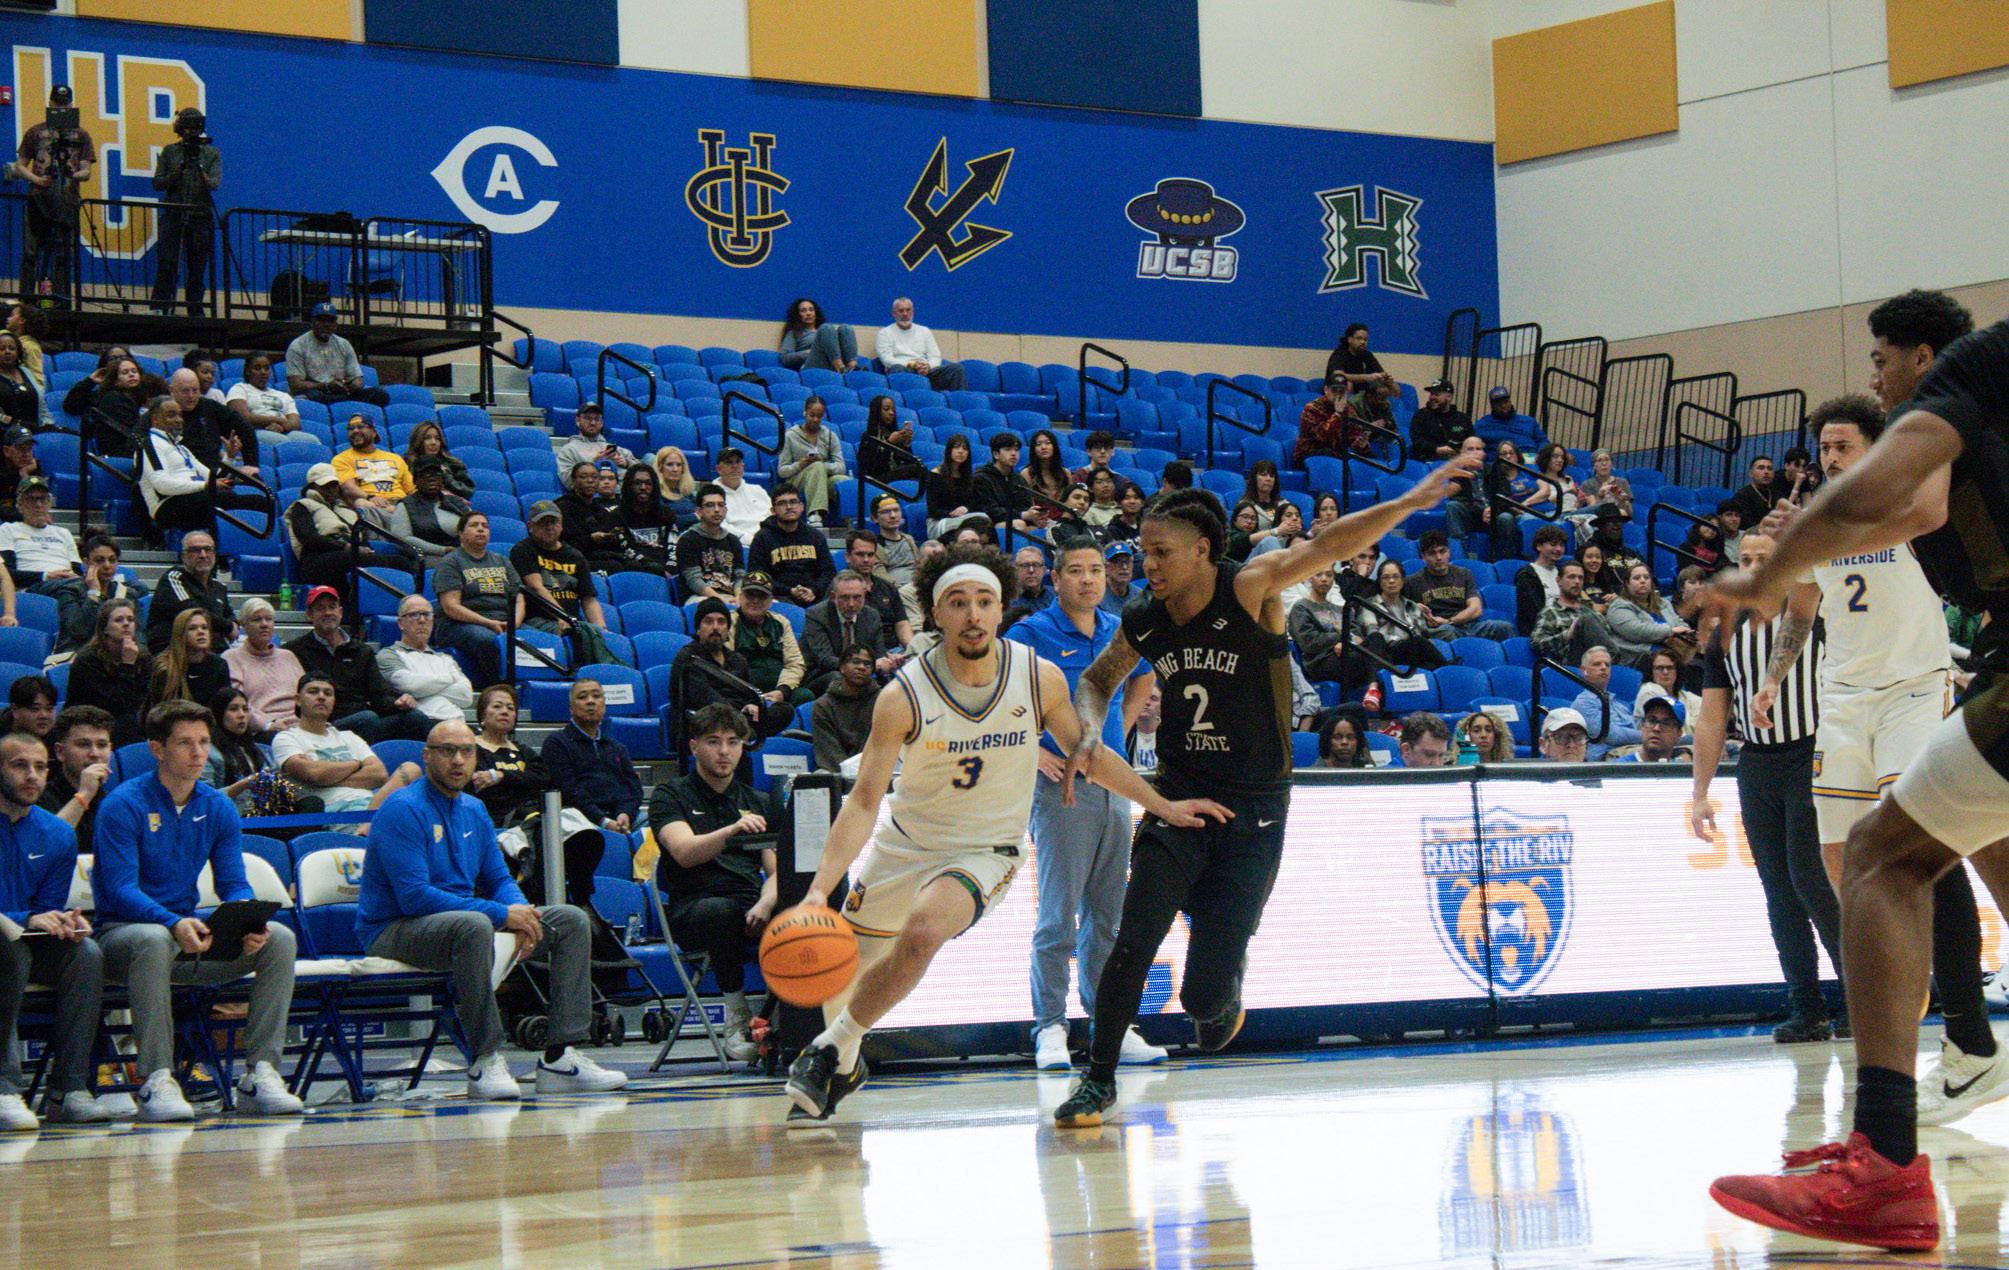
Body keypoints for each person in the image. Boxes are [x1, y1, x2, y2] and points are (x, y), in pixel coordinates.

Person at [1054, 460, 1473, 1127]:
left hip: (1255, 810)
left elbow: (1327, 545)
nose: (1147, 564)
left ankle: (1224, 983)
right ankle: (1096, 1080)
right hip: (1179, 799)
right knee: (1132, 941)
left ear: (1201, 550)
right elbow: (1097, 680)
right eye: (1142, 552)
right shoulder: (1145, 618)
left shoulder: (1248, 588)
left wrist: (1408, 502)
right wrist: (1086, 726)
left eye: (1160, 552)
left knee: (1202, 1004)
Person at [783, 543, 1224, 1125]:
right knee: (843, 977)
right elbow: (864, 800)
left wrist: (1160, 804)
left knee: (924, 929)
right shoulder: (902, 695)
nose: (973, 615)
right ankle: (842, 1061)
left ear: (999, 608)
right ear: (935, 613)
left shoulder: (1036, 677)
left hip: (985, 851)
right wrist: (819, 890)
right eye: (958, 603)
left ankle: (827, 1049)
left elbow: (1090, 756)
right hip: (904, 845)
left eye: (984, 602)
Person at [1753, 388, 2000, 1127]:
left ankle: (1968, 1031)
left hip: (1912, 689)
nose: (1831, 458)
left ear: (1875, 450)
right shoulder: (1817, 522)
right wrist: (1773, 679)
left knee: (1919, 844)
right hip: (1841, 700)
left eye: (1844, 447)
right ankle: (1907, 981)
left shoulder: (1909, 507)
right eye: (1824, 448)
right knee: (1842, 863)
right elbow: (1802, 609)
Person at [359, 718, 626, 1100]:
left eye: (466, 751)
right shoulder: (402, 809)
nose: (458, 760)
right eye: (447, 751)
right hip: (395, 929)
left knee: (569, 920)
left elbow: (499, 878)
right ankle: (485, 1058)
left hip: (462, 922)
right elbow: (414, 898)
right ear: (427, 756)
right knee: (475, 925)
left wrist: (521, 915)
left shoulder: (474, 809)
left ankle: (560, 1057)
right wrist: (502, 915)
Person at [95, 700, 304, 1121]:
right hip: (123, 938)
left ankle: (260, 1074)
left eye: (204, 742)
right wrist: (172, 922)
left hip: (187, 937)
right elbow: (120, 889)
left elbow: (232, 881)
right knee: (153, 939)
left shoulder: (217, 806)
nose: (198, 753)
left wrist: (247, 919)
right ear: (157, 749)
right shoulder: (123, 804)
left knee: (279, 939)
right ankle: (156, 1078)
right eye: (185, 743)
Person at [1004, 540, 1162, 1070]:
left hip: (1113, 782)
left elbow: (1144, 676)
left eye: (1096, 570)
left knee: (1107, 917)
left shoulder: (1118, 628)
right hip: (1060, 789)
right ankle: (1050, 1026)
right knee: (1058, 917)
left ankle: (1108, 1028)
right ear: (1055, 579)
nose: (1089, 579)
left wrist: (1115, 732)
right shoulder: (1030, 633)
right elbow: (998, 697)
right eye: (1076, 570)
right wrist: (1033, 751)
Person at [649, 703, 781, 1063]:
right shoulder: (669, 795)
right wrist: (731, 831)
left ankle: (786, 1017)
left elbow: (776, 873)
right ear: (694, 747)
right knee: (722, 912)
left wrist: (766, 903)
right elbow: (684, 852)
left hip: (751, 906)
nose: (724, 751)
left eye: (733, 742)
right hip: (694, 908)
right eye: (713, 741)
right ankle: (735, 1018)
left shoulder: (758, 801)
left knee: (803, 910)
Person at [0, 728, 104, 1130]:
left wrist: (64, 922)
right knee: (10, 946)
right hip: (8, 943)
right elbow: (26, 920)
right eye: (19, 766)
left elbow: (46, 908)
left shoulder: (58, 833)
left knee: (85, 953)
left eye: (41, 767)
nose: (32, 776)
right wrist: (25, 919)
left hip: (23, 942)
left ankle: (68, 1090)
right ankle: (5, 1087)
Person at [284, 586, 434, 743]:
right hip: (325, 724)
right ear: (309, 615)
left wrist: (398, 702)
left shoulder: (362, 650)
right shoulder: (294, 651)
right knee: (367, 718)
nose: (327, 612)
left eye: (332, 607)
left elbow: (379, 694)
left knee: (414, 717)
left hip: (366, 721)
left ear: (340, 612)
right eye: (320, 608)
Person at [275, 673, 413, 819]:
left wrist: (325, 778)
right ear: (298, 700)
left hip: (373, 803)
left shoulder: (349, 736)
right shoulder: (287, 738)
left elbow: (379, 775)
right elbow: (313, 773)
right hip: (337, 810)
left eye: (328, 693)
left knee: (411, 768)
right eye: (313, 692)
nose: (321, 697)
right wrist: (357, 764)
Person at [10, 84, 95, 306]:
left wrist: (73, 174)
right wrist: (36, 179)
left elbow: (87, 171)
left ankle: (62, 300)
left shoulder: (81, 135)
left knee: (63, 253)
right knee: (31, 252)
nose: (61, 108)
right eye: (58, 104)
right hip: (38, 198)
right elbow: (20, 165)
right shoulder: (36, 132)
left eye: (65, 105)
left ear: (71, 106)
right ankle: (26, 302)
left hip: (67, 200)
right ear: (50, 104)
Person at [669, 598, 791, 742]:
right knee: (725, 721)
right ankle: (746, 735)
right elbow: (705, 699)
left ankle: (744, 734)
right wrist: (739, 715)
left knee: (784, 710)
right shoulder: (688, 658)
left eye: (721, 622)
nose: (715, 627)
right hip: (705, 722)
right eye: (708, 621)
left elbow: (749, 694)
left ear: (728, 629)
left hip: (739, 717)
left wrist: (751, 705)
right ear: (698, 628)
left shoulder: (737, 659)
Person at [511, 503, 617, 667]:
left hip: (572, 622)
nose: (549, 527)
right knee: (581, 635)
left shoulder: (575, 556)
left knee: (599, 635)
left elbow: (588, 599)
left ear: (561, 525)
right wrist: (562, 617)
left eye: (553, 522)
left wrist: (602, 628)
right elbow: (536, 587)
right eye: (543, 523)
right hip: (537, 619)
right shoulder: (523, 550)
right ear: (530, 526)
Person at [286, 463, 415, 590]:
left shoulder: (344, 508)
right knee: (357, 558)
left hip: (349, 552)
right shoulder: (302, 506)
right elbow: (309, 538)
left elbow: (360, 536)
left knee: (401, 562)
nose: (331, 490)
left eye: (334, 485)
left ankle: (410, 599)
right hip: (317, 558)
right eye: (325, 486)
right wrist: (345, 546)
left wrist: (366, 549)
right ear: (313, 487)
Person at [540, 679, 644, 834]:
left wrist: (624, 813)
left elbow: (633, 789)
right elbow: (569, 791)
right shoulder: (556, 743)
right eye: (582, 697)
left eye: (596, 696)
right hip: (578, 819)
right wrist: (603, 821)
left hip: (620, 818)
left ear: (604, 705)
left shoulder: (616, 747)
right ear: (571, 708)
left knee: (656, 825)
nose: (590, 701)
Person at [433, 512, 522, 688]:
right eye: (474, 525)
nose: (481, 529)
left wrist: (514, 623)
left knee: (538, 639)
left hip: (502, 621)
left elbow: (519, 598)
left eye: (485, 526)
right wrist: (488, 623)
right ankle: (500, 688)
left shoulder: (502, 561)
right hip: (459, 624)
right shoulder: (451, 562)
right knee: (488, 640)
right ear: (461, 534)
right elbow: (451, 606)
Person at [146, 107, 218, 315]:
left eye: (195, 128)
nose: (191, 132)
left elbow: (213, 184)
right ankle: (160, 307)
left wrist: (200, 168)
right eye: (187, 128)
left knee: (197, 267)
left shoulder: (211, 153)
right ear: (180, 129)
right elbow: (157, 183)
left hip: (200, 216)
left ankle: (195, 310)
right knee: (167, 263)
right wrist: (177, 171)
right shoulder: (170, 151)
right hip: (173, 215)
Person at [1346, 558, 1449, 688]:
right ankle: (1447, 668)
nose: (1391, 581)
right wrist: (1403, 640)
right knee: (1417, 641)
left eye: (1396, 577)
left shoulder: (1412, 606)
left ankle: (1444, 675)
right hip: (1385, 654)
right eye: (1386, 577)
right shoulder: (1369, 605)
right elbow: (1372, 635)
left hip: (1410, 653)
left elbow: (1424, 635)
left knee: (1429, 664)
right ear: (1379, 581)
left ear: (1403, 580)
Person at [377, 596, 476, 724]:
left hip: (456, 723)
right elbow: (411, 686)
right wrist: (449, 678)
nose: (422, 620)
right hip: (418, 724)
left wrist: (424, 689)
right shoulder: (388, 655)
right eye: (414, 615)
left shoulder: (445, 658)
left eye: (427, 615)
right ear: (401, 623)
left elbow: (466, 696)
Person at [65, 598, 149, 746]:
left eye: (130, 619)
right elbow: (115, 705)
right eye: (118, 620)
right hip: (88, 722)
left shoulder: (143, 656)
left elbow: (143, 699)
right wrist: (128, 665)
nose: (126, 624)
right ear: (104, 628)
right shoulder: (88, 660)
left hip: (127, 722)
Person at [151, 529, 245, 659]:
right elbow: (192, 612)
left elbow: (230, 616)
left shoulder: (219, 586)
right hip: (175, 655)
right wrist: (228, 627)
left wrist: (232, 624)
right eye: (195, 550)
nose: (203, 555)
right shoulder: (174, 578)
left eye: (208, 549)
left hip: (214, 654)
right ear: (183, 556)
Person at [1405, 530, 1512, 640]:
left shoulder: (1464, 574)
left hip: (1469, 625)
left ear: (1449, 552)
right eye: (1432, 553)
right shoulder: (1413, 581)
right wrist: (1416, 609)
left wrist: (1450, 621)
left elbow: (1476, 608)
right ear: (1423, 556)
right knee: (1447, 632)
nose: (1439, 557)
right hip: (1439, 629)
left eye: (1442, 551)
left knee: (1504, 627)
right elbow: (1402, 612)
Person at [468, 684, 549, 826]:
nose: (505, 712)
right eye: (497, 706)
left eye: (510, 708)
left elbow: (542, 779)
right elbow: (487, 793)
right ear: (482, 714)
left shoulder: (523, 751)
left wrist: (500, 776)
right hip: (493, 821)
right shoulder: (470, 749)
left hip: (530, 817)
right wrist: (520, 782)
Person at [802, 570, 895, 691]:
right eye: (845, 598)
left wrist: (886, 662)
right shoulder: (817, 615)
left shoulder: (871, 616)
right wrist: (866, 665)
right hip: (822, 675)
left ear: (864, 595)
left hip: (862, 674)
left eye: (857, 597)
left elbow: (879, 653)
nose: (851, 604)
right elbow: (825, 660)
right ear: (833, 597)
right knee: (839, 679)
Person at [730, 572, 811, 709]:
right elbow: (727, 666)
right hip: (744, 691)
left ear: (770, 600)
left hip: (780, 690)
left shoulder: (781, 622)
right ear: (741, 596)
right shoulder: (730, 622)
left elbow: (795, 664)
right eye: (750, 595)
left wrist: (782, 691)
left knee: (805, 696)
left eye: (761, 596)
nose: (755, 601)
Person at [285, 302, 390, 407]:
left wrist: (351, 386)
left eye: (330, 321)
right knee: (314, 396)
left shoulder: (344, 344)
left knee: (379, 394)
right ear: (312, 322)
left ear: (335, 325)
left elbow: (358, 379)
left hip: (341, 392)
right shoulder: (298, 345)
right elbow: (295, 385)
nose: (326, 324)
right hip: (317, 392)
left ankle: (343, 406)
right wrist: (325, 386)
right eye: (321, 320)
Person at [40, 704, 113, 851]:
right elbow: (45, 849)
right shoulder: (39, 800)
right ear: (60, 752)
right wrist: (84, 795)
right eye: (83, 745)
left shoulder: (115, 802)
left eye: (102, 745)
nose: (94, 753)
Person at [750, 486, 835, 607]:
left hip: (815, 595)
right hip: (779, 597)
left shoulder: (815, 536)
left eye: (793, 502)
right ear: (773, 510)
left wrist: (814, 590)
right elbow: (758, 576)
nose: (789, 507)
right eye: (782, 503)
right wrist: (789, 591)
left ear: (802, 507)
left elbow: (828, 571)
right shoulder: (762, 538)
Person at [1605, 562, 1696, 670]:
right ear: (1627, 583)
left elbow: (1678, 622)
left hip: (1673, 650)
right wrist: (1670, 631)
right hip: (1640, 657)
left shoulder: (1663, 603)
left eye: (1646, 577)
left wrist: (1686, 631)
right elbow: (1638, 631)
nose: (1642, 581)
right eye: (1636, 578)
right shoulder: (1618, 607)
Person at [169, 367, 257, 477]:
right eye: (185, 391)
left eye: (195, 390)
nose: (191, 396)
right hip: (182, 475)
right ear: (172, 390)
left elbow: (245, 428)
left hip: (215, 473)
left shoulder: (210, 407)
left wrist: (251, 464)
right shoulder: (163, 414)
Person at [0, 477, 78, 596]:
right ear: (19, 505)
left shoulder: (63, 533)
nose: (38, 504)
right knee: (67, 592)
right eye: (31, 499)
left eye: (43, 499)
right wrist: (45, 576)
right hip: (33, 588)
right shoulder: (8, 530)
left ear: (49, 503)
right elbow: (5, 573)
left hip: (70, 584)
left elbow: (77, 569)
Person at [144, 608, 228, 717]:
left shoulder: (219, 665)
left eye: (204, 627)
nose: (201, 632)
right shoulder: (165, 667)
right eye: (192, 628)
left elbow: (224, 706)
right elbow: (156, 711)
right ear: (180, 634)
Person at [201, 686, 272, 813]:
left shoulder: (259, 750)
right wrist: (243, 785)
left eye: (245, 709)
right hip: (228, 816)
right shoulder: (207, 752)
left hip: (265, 814)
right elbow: (203, 800)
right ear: (219, 714)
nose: (241, 715)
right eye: (233, 709)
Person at [810, 644, 879, 772]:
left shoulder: (882, 701)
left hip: (874, 770)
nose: (861, 667)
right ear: (842, 667)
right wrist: (851, 774)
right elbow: (828, 751)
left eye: (867, 664)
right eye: (855, 662)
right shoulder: (823, 706)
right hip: (837, 771)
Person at [391, 457, 472, 564]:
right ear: (415, 480)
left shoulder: (457, 502)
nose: (431, 479)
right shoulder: (405, 505)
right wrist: (443, 550)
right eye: (425, 475)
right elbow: (402, 539)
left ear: (443, 480)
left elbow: (475, 526)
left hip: (463, 555)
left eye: (436, 474)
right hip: (426, 559)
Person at [841, 530, 912, 651]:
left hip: (894, 650)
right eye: (860, 554)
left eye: (870, 555)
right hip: (860, 652)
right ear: (847, 557)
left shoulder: (888, 587)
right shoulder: (839, 591)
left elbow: (901, 623)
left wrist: (912, 649)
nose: (866, 560)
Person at [62, 355, 145, 457]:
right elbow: (71, 405)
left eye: (134, 371)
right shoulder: (113, 398)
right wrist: (90, 381)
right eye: (125, 372)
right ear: (115, 379)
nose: (131, 375)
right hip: (122, 451)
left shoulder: (144, 395)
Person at [875, 297, 965, 390]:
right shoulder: (885, 333)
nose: (905, 314)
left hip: (926, 372)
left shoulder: (924, 331)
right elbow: (887, 360)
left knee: (956, 369)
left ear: (913, 312)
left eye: (908, 310)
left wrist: (928, 366)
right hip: (904, 371)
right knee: (896, 368)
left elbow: (935, 356)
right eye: (901, 311)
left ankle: (960, 398)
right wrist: (913, 365)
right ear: (894, 313)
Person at [675, 483, 744, 603]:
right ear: (699, 512)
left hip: (730, 597)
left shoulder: (733, 540)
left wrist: (739, 597)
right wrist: (719, 599)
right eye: (710, 505)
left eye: (721, 505)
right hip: (699, 597)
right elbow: (693, 580)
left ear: (725, 510)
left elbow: (740, 576)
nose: (717, 510)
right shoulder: (687, 540)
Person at [1570, 646, 1641, 760]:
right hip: (1606, 757)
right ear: (1584, 670)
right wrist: (1647, 737)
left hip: (1631, 748)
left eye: (1607, 665)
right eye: (1597, 664)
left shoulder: (1619, 704)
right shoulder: (1583, 703)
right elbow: (1613, 736)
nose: (1603, 667)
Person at [555, 461, 626, 572]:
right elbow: (564, 544)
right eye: (583, 477)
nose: (590, 481)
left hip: (600, 554)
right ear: (573, 480)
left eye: (595, 477)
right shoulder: (563, 506)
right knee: (615, 566)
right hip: (573, 559)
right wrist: (591, 539)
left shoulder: (598, 508)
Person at [332, 413, 412, 512]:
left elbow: (411, 489)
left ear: (374, 432)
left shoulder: (395, 458)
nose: (355, 431)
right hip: (370, 504)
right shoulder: (341, 459)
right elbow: (348, 488)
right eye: (351, 428)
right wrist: (370, 497)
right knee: (361, 503)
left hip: (400, 503)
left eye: (360, 426)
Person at [612, 463, 677, 572]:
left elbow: (673, 545)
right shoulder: (617, 515)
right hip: (638, 568)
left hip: (667, 567)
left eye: (648, 483)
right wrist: (654, 567)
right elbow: (625, 549)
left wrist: (670, 568)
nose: (643, 487)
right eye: (637, 483)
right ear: (629, 486)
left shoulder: (666, 513)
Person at [225, 355, 299, 443]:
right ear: (248, 371)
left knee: (309, 440)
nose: (263, 372)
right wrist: (278, 420)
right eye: (257, 368)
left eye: (266, 368)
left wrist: (281, 427)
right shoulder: (239, 389)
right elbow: (243, 418)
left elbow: (296, 424)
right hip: (254, 430)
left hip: (283, 430)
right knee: (282, 441)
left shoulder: (283, 395)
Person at [1293, 371, 1362, 465]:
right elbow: (1323, 437)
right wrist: (1337, 414)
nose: (1338, 395)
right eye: (1334, 390)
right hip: (1309, 454)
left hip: (1335, 455)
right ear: (1326, 390)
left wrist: (1361, 443)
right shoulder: (1312, 408)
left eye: (1341, 391)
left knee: (1363, 460)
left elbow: (1354, 436)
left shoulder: (1349, 410)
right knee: (1330, 455)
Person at [552, 401, 637, 474]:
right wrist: (593, 463)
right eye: (587, 418)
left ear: (602, 423)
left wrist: (626, 463)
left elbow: (640, 470)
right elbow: (568, 480)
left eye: (597, 419)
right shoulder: (568, 451)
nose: (593, 423)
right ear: (578, 421)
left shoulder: (615, 449)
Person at [778, 297, 857, 373]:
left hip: (831, 363)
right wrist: (807, 353)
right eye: (803, 311)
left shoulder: (827, 333)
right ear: (797, 315)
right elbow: (785, 358)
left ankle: (852, 367)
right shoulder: (794, 333)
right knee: (826, 328)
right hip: (812, 365)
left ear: (816, 313)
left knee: (846, 328)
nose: (808, 313)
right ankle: (840, 367)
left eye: (811, 310)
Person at [1515, 525, 1569, 634]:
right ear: (1539, 546)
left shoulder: (1564, 573)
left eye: (1561, 545)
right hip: (1542, 631)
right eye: (1553, 544)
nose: (1558, 549)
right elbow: (1533, 613)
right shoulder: (1527, 574)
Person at [713, 448, 772, 548]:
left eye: (738, 462)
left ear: (743, 466)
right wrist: (752, 540)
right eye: (729, 462)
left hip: (769, 539)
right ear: (718, 469)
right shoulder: (712, 496)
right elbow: (720, 526)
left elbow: (773, 515)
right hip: (739, 545)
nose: (735, 466)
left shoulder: (758, 490)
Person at [1409, 378, 1475, 462]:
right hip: (1429, 460)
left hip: (1459, 460)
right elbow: (1417, 441)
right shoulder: (1421, 415)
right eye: (1431, 394)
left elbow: (1471, 441)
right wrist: (1436, 449)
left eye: (1436, 394)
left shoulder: (1463, 419)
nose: (1432, 397)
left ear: (1449, 397)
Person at [925, 433, 978, 538]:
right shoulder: (935, 475)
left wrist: (966, 509)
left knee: (983, 519)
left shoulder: (967, 476)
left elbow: (973, 503)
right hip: (939, 521)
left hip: (963, 519)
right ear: (949, 450)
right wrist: (952, 513)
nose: (961, 451)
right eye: (956, 447)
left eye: (965, 448)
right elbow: (932, 510)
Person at [1637, 646, 1702, 725]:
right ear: (1651, 672)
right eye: (1659, 668)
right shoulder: (1648, 690)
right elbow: (1669, 725)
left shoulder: (1686, 697)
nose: (1665, 672)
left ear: (1677, 671)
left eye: (1670, 668)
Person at [1325, 322, 1394, 392]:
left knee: (1386, 387)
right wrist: (1366, 377)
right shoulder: (1339, 354)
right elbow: (1338, 376)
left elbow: (1381, 374)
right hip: (1337, 392)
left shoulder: (1368, 355)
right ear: (1349, 339)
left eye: (1365, 339)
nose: (1363, 342)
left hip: (1362, 394)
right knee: (1347, 384)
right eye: (1359, 338)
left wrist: (1386, 379)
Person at [1475, 386, 1546, 452]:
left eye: (1505, 401)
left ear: (1510, 401)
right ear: (1492, 406)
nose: (1503, 405)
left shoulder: (1529, 421)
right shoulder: (1482, 425)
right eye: (1498, 403)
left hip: (1528, 458)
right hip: (1498, 459)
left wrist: (1540, 455)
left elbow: (1543, 441)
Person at [1627, 690, 1687, 762]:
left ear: (1679, 734)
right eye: (1651, 721)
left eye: (1666, 724)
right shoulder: (1619, 767)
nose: (1656, 728)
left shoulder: (1683, 768)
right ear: (1642, 726)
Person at [1729, 455, 1784, 532]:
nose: (1766, 472)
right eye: (1761, 468)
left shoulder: (1778, 495)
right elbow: (1744, 524)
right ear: (1751, 473)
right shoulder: (1742, 496)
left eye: (1769, 468)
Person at [1578, 449, 1634, 521]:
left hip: (1620, 519)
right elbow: (1591, 511)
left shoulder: (1622, 482)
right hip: (1599, 521)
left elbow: (1630, 514)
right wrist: (1600, 495)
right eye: (1599, 460)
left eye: (1607, 460)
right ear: (1594, 466)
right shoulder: (1588, 484)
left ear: (1611, 464)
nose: (1604, 463)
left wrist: (1625, 501)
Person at [653, 446, 700, 529]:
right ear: (660, 467)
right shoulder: (655, 492)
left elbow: (702, 512)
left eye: (679, 465)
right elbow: (665, 520)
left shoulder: (687, 492)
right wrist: (695, 516)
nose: (675, 469)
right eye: (669, 464)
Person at [1021, 428, 1072, 505]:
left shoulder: (1066, 473)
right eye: (1038, 444)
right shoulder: (1027, 473)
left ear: (1054, 447)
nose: (1043, 447)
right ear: (1033, 450)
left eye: (1048, 443)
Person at [0, 333, 38, 431]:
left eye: (12, 348)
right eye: (2, 349)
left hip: (34, 428)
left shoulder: (26, 372)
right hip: (7, 431)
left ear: (18, 352)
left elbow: (40, 403)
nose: (7, 352)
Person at [0, 425, 37, 523]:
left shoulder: (32, 468)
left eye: (29, 449)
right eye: (21, 449)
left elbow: (36, 503)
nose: (26, 454)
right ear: (6, 451)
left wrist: (24, 476)